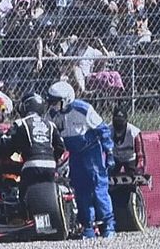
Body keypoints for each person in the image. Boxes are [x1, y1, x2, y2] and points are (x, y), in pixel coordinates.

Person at [46, 81, 116, 238]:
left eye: (56, 102)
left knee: (98, 188)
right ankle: (87, 226)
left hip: (91, 153)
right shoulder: (52, 115)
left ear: (66, 99)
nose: (53, 105)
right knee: (80, 189)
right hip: (74, 154)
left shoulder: (83, 109)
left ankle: (108, 224)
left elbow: (102, 129)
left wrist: (109, 152)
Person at [0, 93, 65, 202]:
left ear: (25, 107)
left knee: (24, 198)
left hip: (31, 166)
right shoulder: (50, 124)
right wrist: (52, 158)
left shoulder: (20, 123)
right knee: (50, 196)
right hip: (50, 166)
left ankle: (25, 213)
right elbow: (60, 147)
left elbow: (9, 144)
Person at [109, 107, 144, 175]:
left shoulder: (134, 132)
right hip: (115, 158)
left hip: (130, 158)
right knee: (110, 176)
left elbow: (140, 154)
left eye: (121, 120)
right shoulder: (108, 131)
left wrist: (140, 166)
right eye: (117, 120)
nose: (119, 123)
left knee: (132, 177)